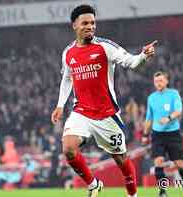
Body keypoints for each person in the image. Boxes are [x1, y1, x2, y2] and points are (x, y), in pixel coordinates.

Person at [50, 4, 157, 197]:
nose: (90, 26)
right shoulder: (68, 53)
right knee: (68, 149)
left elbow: (130, 62)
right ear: (74, 25)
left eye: (93, 23)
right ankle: (93, 184)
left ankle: (132, 194)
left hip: (107, 116)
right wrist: (60, 105)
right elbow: (67, 79)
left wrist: (142, 55)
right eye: (85, 23)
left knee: (121, 160)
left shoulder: (105, 47)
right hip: (81, 111)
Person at [142, 71, 183, 197]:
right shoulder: (151, 98)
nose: (158, 83)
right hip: (157, 135)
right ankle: (163, 191)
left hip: (173, 134)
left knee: (179, 163)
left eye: (160, 81)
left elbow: (178, 111)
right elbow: (149, 118)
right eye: (156, 81)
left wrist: (168, 118)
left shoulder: (173, 94)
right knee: (158, 162)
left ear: (166, 81)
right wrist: (144, 134)